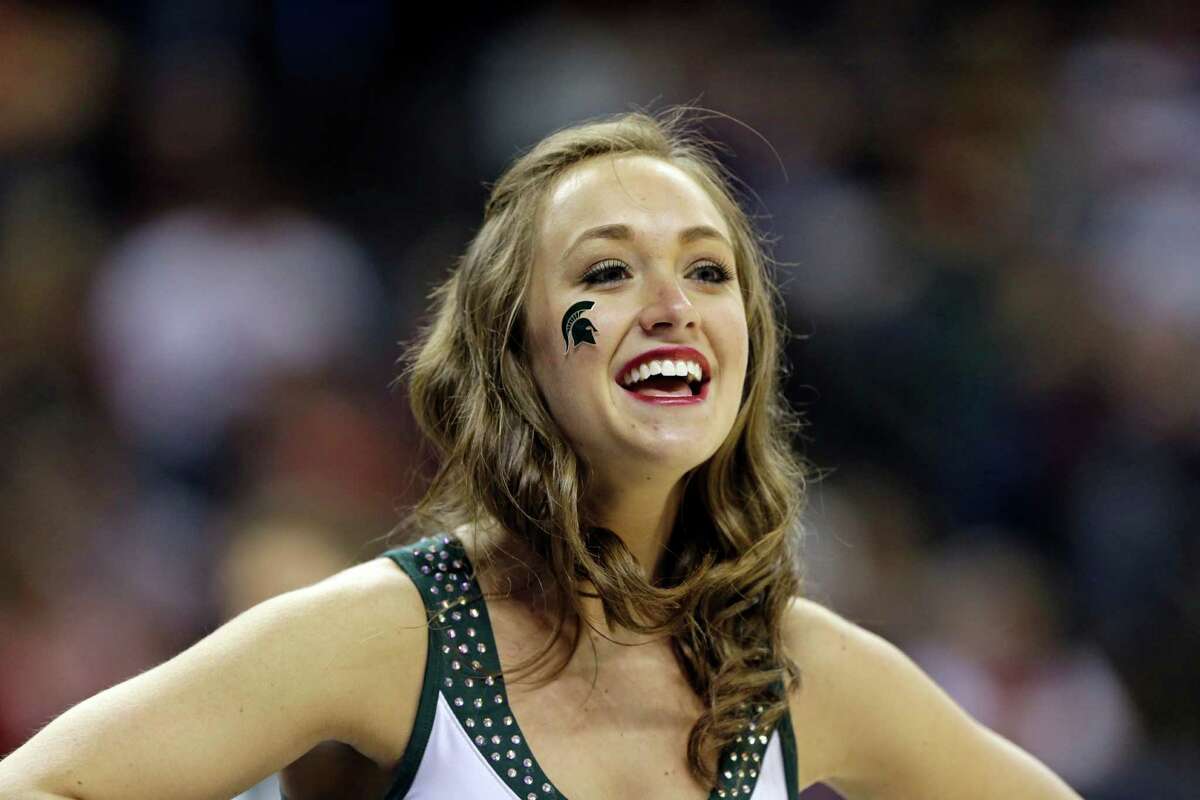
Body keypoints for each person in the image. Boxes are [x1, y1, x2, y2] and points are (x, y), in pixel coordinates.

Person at [0, 109, 1082, 799]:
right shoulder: (398, 632)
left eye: (710, 274)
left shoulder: (800, 668)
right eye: (606, 275)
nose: (670, 305)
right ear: (516, 347)